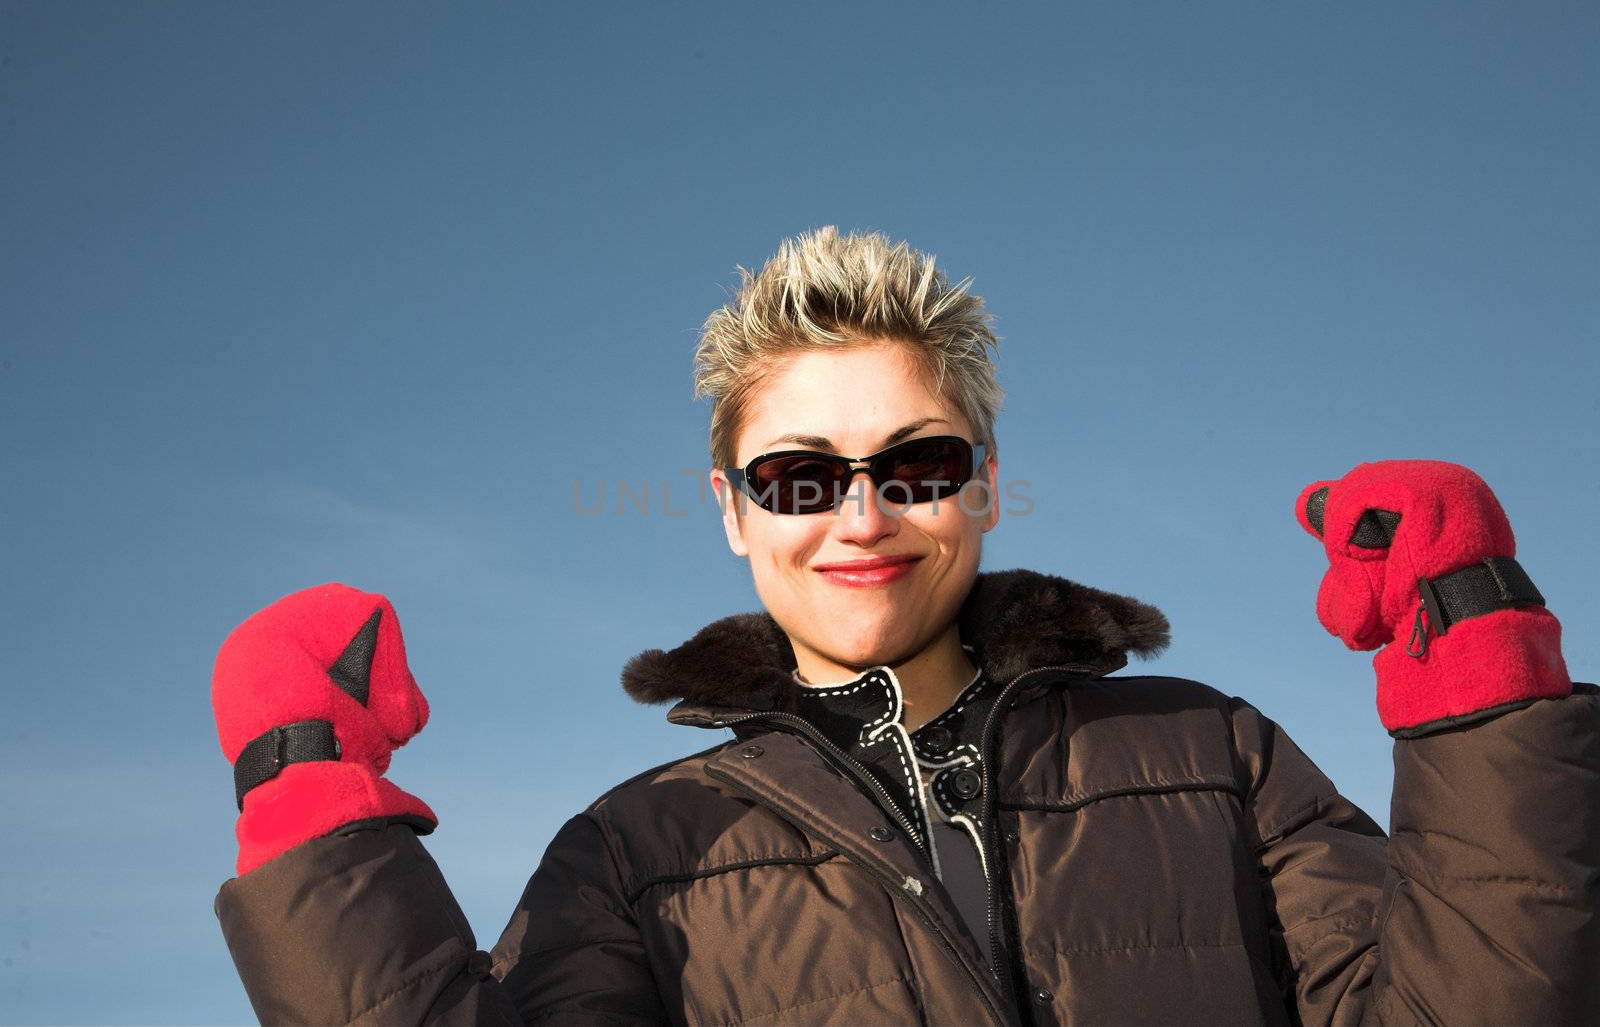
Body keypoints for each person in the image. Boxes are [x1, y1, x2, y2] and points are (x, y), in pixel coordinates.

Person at [211, 227, 1599, 1026]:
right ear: (733, 510)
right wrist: (315, 826)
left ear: (984, 487)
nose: (861, 515)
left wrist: (1490, 704)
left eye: (916, 465)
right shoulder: (636, 854)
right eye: (802, 477)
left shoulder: (1214, 755)